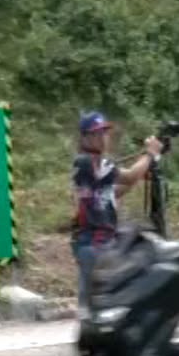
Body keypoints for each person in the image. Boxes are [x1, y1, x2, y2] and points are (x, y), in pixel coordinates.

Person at [70, 112, 163, 309]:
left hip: (95, 242)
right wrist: (149, 154)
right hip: (96, 242)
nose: (103, 137)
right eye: (97, 134)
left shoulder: (90, 163)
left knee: (94, 304)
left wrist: (142, 168)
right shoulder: (91, 161)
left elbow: (113, 192)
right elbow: (128, 176)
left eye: (104, 132)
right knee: (101, 304)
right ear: (85, 137)